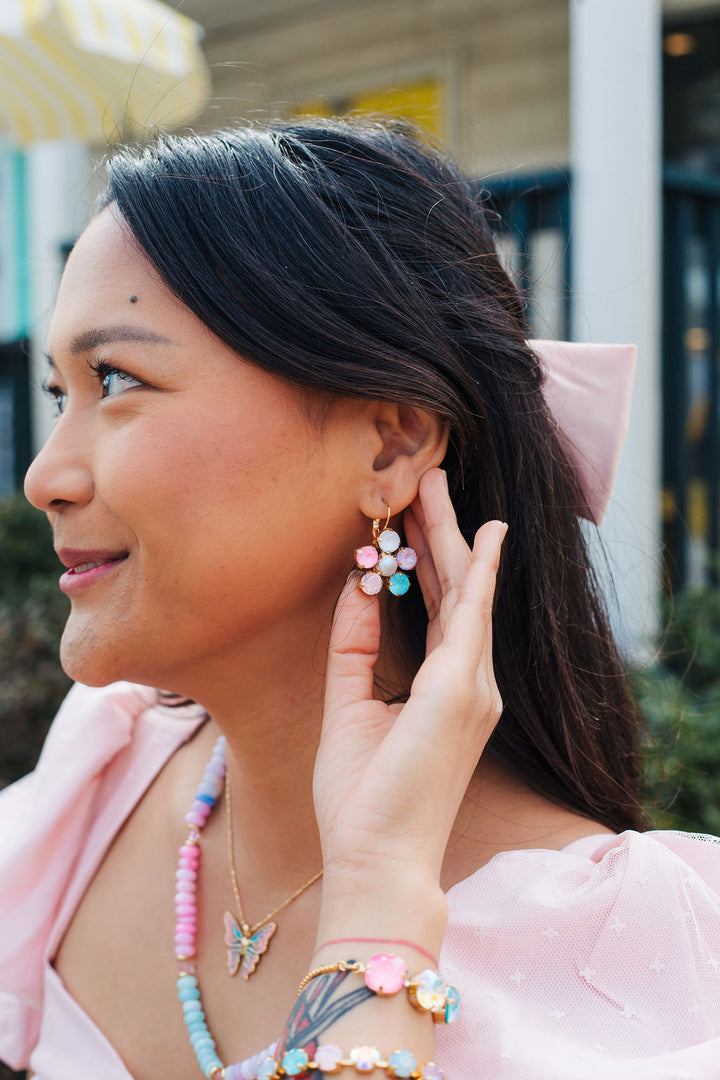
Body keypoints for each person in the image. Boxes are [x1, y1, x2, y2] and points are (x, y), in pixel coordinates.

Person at [0, 117, 718, 1080]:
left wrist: (378, 910)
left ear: (389, 446)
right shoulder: (101, 773)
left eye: (119, 379)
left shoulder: (640, 959)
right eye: (59, 394)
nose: (45, 476)